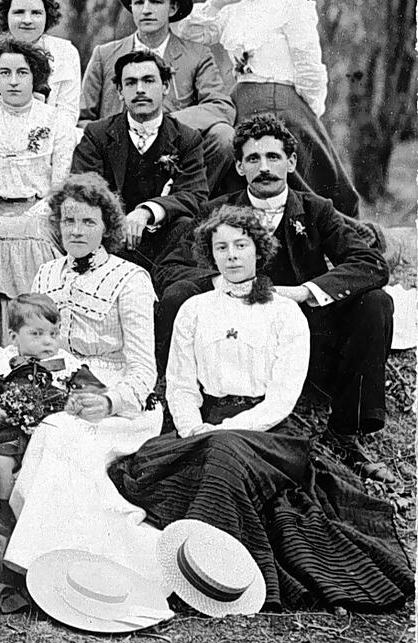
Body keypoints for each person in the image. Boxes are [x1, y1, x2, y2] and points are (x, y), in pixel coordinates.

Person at [110, 206, 413, 611]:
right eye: (221, 247)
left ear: (259, 250)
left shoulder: (285, 312)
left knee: (223, 456)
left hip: (267, 431)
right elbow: (180, 384)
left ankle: (216, 579)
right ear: (210, 254)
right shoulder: (194, 309)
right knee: (156, 466)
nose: (232, 255)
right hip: (201, 427)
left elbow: (282, 398)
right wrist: (192, 428)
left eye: (241, 245)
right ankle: (190, 569)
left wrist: (225, 432)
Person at [155, 114, 395, 482]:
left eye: (273, 157)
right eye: (253, 159)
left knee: (375, 302)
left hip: (305, 335)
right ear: (238, 166)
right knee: (176, 296)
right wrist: (230, 285)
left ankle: (347, 431)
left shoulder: (317, 209)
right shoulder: (217, 211)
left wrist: (305, 292)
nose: (264, 168)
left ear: (292, 162)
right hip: (236, 336)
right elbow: (171, 268)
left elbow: (369, 261)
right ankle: (183, 414)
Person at [2, 175, 161, 581]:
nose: (76, 230)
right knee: (55, 433)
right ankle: (48, 562)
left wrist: (109, 402)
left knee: (63, 441)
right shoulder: (47, 274)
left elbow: (144, 368)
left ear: (107, 227)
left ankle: (74, 564)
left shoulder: (130, 279)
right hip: (57, 394)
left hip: (118, 400)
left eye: (88, 222)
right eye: (69, 220)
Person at [177, 0, 358, 214]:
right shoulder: (230, 9)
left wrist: (308, 111)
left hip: (283, 102)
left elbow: (309, 65)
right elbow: (185, 29)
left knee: (296, 182)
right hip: (239, 103)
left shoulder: (292, 6)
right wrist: (218, 0)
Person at [80, 0, 235, 192]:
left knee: (224, 136)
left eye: (156, 2)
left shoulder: (196, 54)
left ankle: (189, 207)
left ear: (172, 9)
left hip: (174, 159)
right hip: (119, 158)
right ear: (131, 7)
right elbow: (83, 118)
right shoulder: (105, 55)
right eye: (139, 2)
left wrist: (169, 124)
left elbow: (221, 106)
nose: (146, 10)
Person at [71, 50, 208, 275]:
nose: (140, 89)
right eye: (131, 83)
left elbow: (195, 195)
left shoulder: (187, 138)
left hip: (168, 243)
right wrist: (119, 224)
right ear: (119, 91)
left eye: (148, 80)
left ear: (165, 87)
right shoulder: (98, 135)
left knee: (185, 226)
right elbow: (83, 189)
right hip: (114, 242)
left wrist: (146, 212)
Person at [0, 39, 71, 303]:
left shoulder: (56, 122)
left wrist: (31, 217)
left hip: (42, 217)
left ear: (35, 77)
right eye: (5, 73)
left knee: (31, 236)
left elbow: (60, 186)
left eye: (22, 73)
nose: (13, 81)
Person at [0, 293, 80, 501]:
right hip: (11, 430)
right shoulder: (1, 361)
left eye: (53, 334)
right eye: (37, 334)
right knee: (1, 463)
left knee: (58, 471)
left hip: (52, 434)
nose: (47, 342)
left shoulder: (67, 363)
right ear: (14, 336)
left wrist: (77, 400)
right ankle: (4, 514)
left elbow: (93, 388)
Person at [0, 0, 81, 129]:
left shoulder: (66, 53)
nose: (27, 20)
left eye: (36, 13)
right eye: (18, 12)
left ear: (47, 16)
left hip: (55, 138)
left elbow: (68, 114)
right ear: (6, 16)